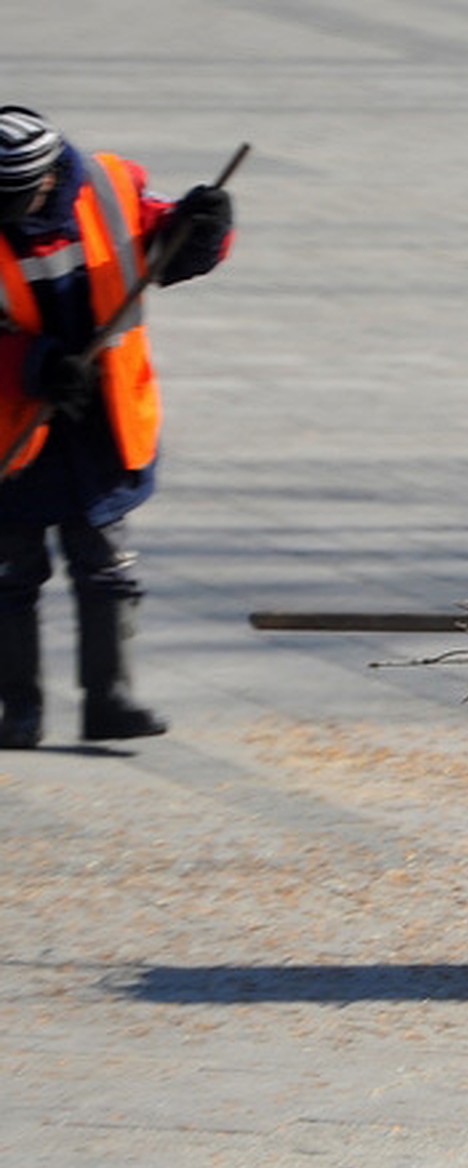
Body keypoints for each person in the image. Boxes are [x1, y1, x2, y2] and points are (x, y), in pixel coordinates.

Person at [0, 106, 233, 748]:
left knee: (106, 567)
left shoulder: (107, 187)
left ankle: (111, 699)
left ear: (45, 180)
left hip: (101, 426)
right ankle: (18, 710)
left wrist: (204, 229)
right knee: (11, 576)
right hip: (13, 431)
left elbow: (168, 251)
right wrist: (34, 366)